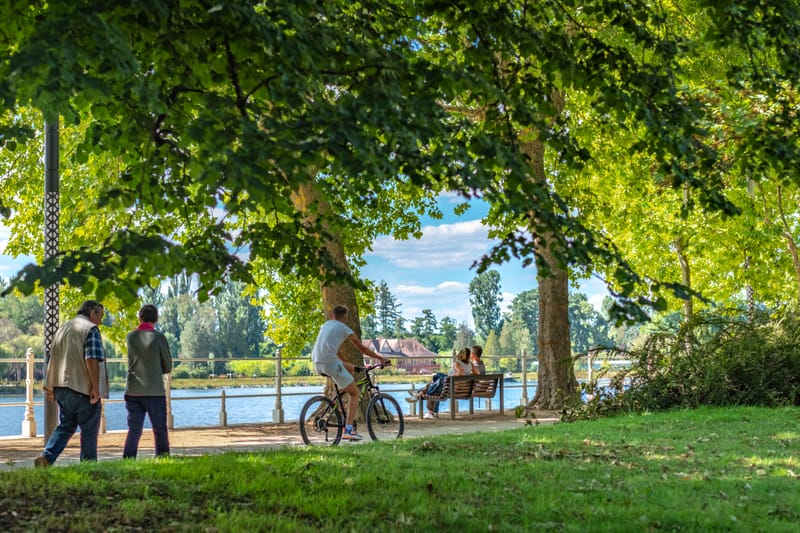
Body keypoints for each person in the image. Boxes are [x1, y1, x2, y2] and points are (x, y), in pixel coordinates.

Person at [35, 300, 108, 467]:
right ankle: (88, 467)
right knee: (89, 429)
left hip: (61, 387)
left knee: (66, 425)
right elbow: (91, 358)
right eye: (100, 316)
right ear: (92, 313)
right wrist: (95, 387)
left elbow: (52, 358)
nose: (101, 321)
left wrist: (50, 387)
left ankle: (46, 457)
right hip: (81, 388)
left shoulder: (63, 329)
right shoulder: (90, 329)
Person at [311, 304, 389, 441]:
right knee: (355, 393)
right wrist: (381, 358)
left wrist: (347, 364)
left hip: (317, 363)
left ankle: (341, 406)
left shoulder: (326, 325)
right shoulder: (344, 328)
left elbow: (335, 351)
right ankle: (348, 430)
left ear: (333, 315)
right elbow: (363, 349)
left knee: (348, 377)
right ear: (345, 318)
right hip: (330, 363)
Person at [123, 304, 173, 459]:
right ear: (156, 318)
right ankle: (163, 458)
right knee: (159, 429)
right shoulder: (159, 337)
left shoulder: (130, 337)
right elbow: (168, 366)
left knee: (134, 429)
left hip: (133, 389)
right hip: (154, 391)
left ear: (140, 317)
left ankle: (128, 459)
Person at [415, 347, 471, 419]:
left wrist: (450, 377)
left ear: (460, 354)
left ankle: (420, 393)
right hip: (459, 388)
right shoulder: (470, 365)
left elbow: (461, 372)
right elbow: (473, 373)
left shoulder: (457, 363)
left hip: (451, 388)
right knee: (437, 376)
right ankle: (433, 410)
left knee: (432, 387)